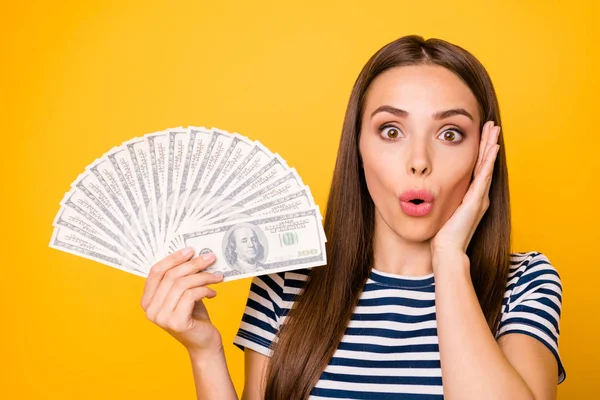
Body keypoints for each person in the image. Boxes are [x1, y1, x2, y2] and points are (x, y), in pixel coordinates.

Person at [140, 35, 565, 399]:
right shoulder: (287, 283)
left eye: (450, 134)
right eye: (391, 131)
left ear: (483, 153)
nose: (419, 161)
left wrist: (450, 257)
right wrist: (205, 351)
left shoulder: (524, 283)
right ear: (357, 147)